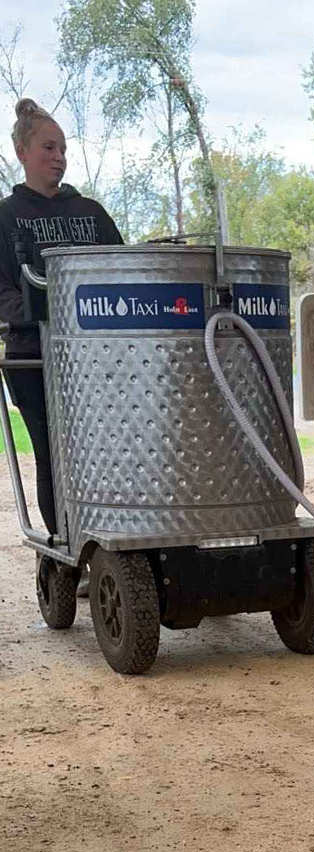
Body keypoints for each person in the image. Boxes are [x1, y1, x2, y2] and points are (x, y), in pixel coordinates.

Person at [0, 98, 123, 537]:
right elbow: (2, 292)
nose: (59, 157)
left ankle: (109, 540)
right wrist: (45, 314)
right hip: (33, 359)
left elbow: (123, 274)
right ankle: (68, 547)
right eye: (49, 148)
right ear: (22, 154)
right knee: (54, 454)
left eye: (63, 149)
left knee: (107, 450)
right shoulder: (6, 217)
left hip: (97, 360)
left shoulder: (91, 214)